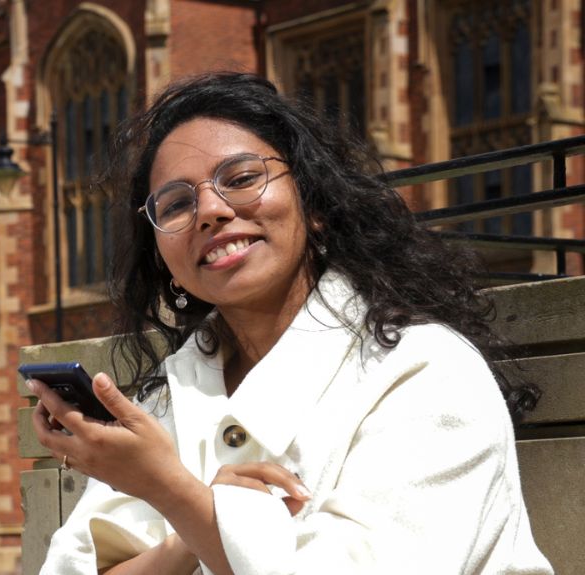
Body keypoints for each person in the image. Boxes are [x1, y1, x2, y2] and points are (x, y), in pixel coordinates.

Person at [28, 72, 553, 574]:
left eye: (241, 178)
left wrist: (172, 491)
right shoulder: (171, 395)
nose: (210, 210)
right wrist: (190, 533)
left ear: (314, 200)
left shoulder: (425, 370)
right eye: (176, 203)